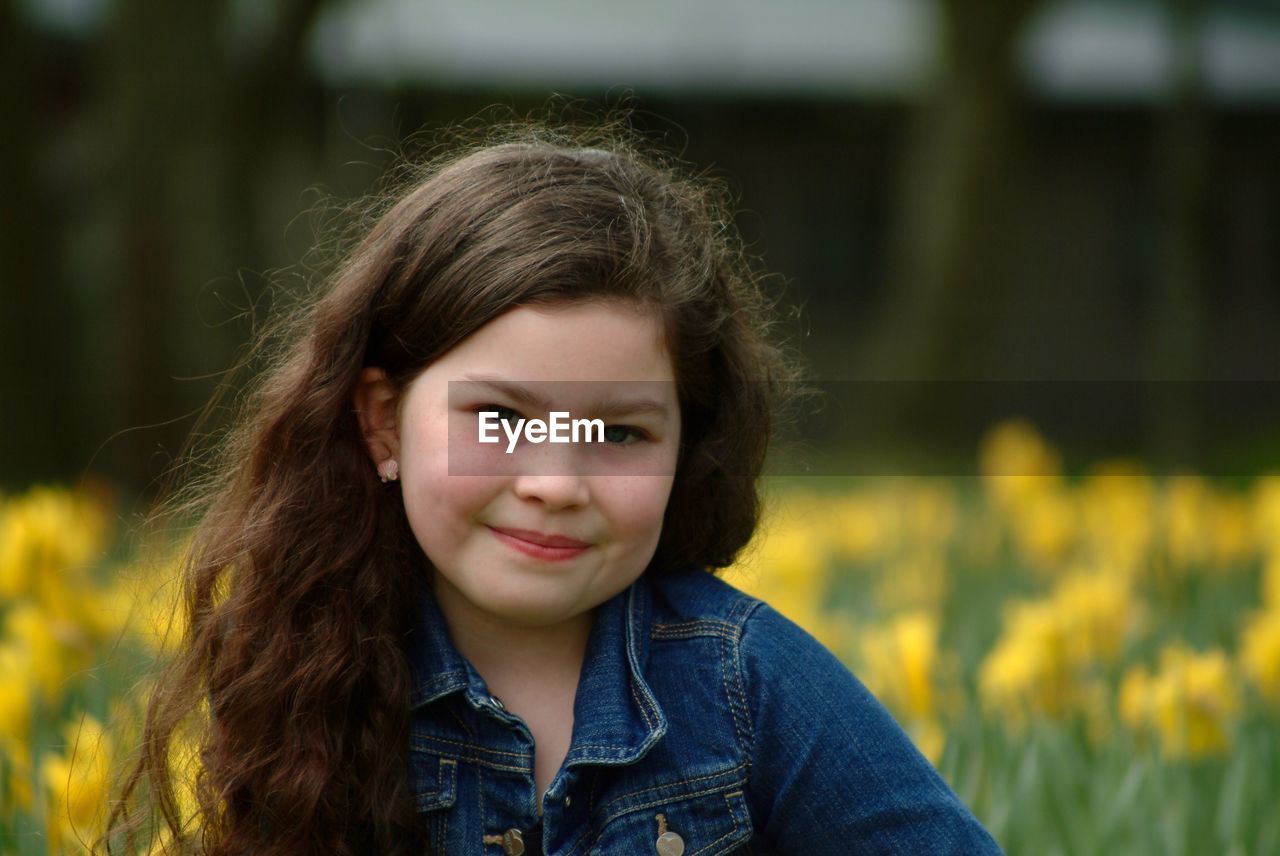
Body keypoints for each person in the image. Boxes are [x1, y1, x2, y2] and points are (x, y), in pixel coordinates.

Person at [102, 120, 1004, 855]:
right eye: (498, 417)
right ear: (382, 424)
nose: (554, 482)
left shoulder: (744, 680)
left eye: (619, 432)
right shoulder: (299, 668)